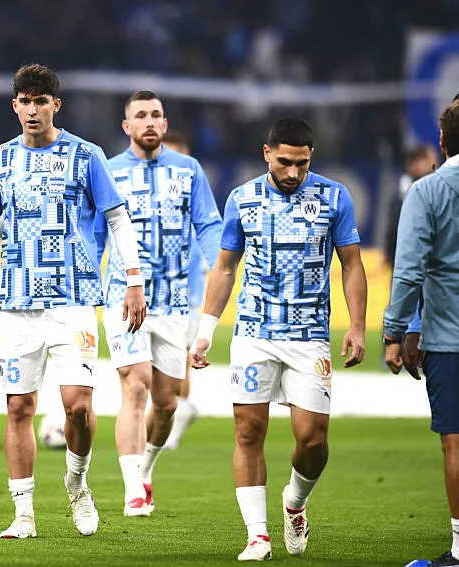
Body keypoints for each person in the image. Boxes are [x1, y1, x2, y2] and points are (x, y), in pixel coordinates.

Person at [0, 63, 146, 539]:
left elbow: (117, 218)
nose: (32, 110)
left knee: (78, 407)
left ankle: (77, 483)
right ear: (15, 105)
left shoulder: (86, 155)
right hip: (16, 303)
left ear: (55, 105)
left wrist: (134, 280)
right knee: (18, 408)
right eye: (25, 102)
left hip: (74, 299)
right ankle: (23, 514)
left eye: (41, 102)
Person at [191, 117, 367, 561]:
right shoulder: (242, 198)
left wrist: (358, 325)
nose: (293, 173)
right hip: (254, 332)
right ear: (267, 153)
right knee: (248, 430)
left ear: (311, 157)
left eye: (302, 164)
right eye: (285, 162)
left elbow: (352, 264)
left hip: (309, 335)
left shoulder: (334, 197)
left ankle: (295, 501)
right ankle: (257, 536)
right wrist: (205, 331)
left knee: (313, 439)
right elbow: (225, 267)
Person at [94, 93, 221, 517]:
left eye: (156, 115)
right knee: (135, 386)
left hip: (173, 302)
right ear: (126, 126)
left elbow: (208, 226)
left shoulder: (188, 170)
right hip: (123, 298)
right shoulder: (109, 171)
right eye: (140, 116)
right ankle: (132, 487)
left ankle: (146, 468)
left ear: (165, 124)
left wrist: (222, 268)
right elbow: (96, 234)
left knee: (167, 403)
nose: (149, 122)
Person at [383, 100, 459, 567]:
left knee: (456, 441)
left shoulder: (428, 191)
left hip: (449, 338)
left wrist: (396, 332)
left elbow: (409, 270)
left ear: (443, 141)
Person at [161, 130, 204, 452]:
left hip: (185, 293)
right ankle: (177, 413)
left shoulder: (193, 198)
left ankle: (176, 420)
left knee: (178, 357)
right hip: (155, 290)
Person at [382, 144, 439, 269]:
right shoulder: (403, 192)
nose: (435, 164)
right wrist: (390, 255)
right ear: (412, 164)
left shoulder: (436, 190)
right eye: (428, 160)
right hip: (408, 264)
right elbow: (394, 228)